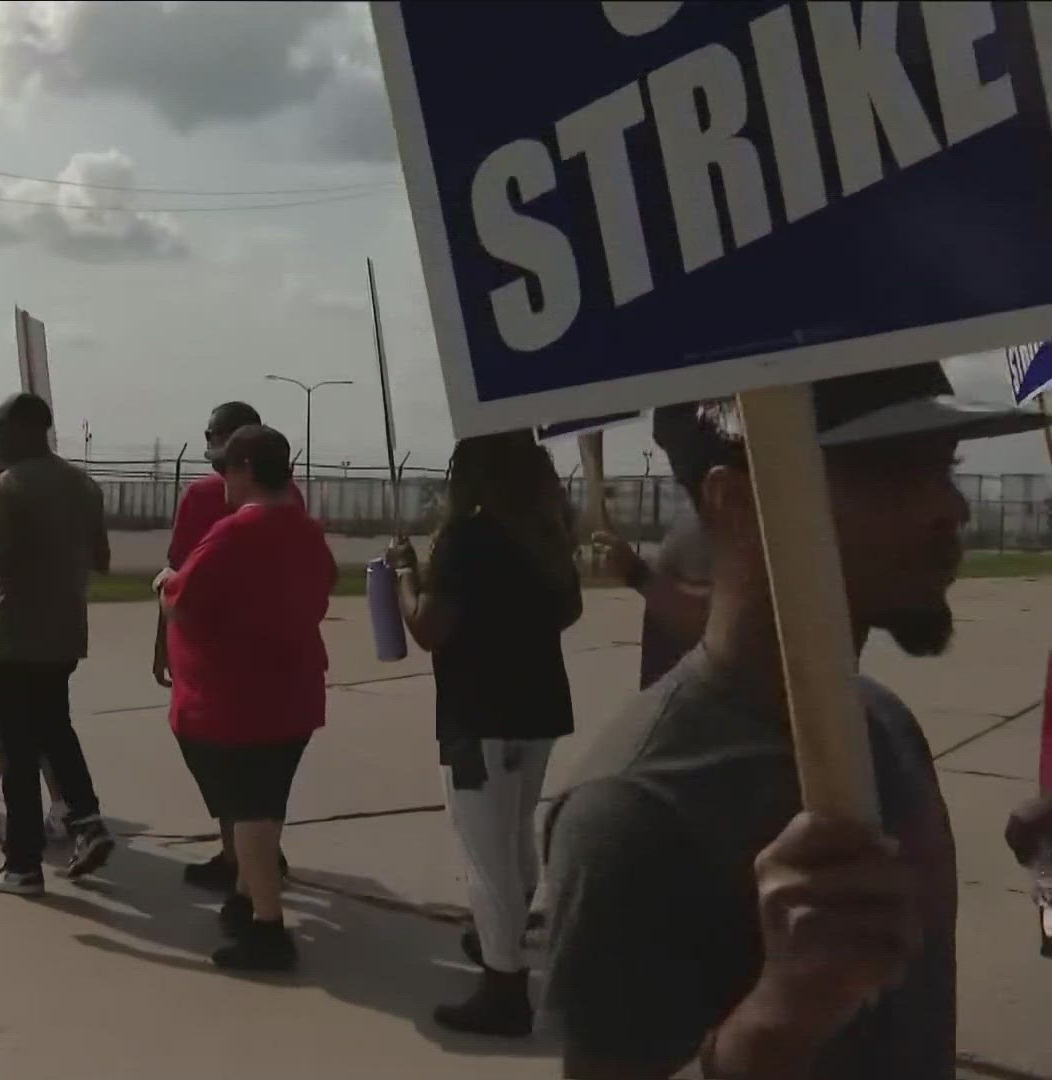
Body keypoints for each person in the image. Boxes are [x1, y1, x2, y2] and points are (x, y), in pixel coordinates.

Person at [543, 363, 1052, 1079]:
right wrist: (776, 1023)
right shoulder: (634, 813)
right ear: (739, 503)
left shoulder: (885, 725)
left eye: (947, 465)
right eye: (891, 471)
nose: (950, 507)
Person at [390, 430, 581, 1037]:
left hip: (479, 715)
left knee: (485, 852)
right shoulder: (544, 532)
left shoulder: (467, 537)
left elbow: (429, 629)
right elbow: (569, 610)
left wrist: (404, 578)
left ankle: (504, 987)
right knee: (514, 835)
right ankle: (504, 945)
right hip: (539, 707)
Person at [158, 425, 335, 971]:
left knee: (250, 811)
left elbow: (183, 597)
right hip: (293, 692)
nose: (220, 480)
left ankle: (267, 926)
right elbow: (322, 586)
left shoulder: (236, 531)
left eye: (224, 469)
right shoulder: (306, 528)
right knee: (265, 805)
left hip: (239, 699)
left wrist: (165, 580)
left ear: (245, 470)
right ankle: (246, 895)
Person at [0, 392, 115, 896]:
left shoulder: (8, 486)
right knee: (55, 729)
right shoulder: (83, 485)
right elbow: (101, 558)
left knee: (17, 751)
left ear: (28, 430)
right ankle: (87, 822)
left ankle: (22, 866)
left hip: (16, 635)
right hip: (65, 632)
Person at [156, 400, 301, 892]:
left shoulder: (205, 498)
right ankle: (250, 850)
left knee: (219, 751)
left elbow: (178, 577)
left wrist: (162, 645)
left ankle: (243, 855)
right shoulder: (290, 501)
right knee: (262, 760)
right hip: (280, 654)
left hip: (211, 652)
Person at [593, 404, 719, 689]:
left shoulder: (734, 515)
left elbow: (722, 620)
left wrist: (637, 574)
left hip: (708, 705)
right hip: (681, 693)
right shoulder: (699, 513)